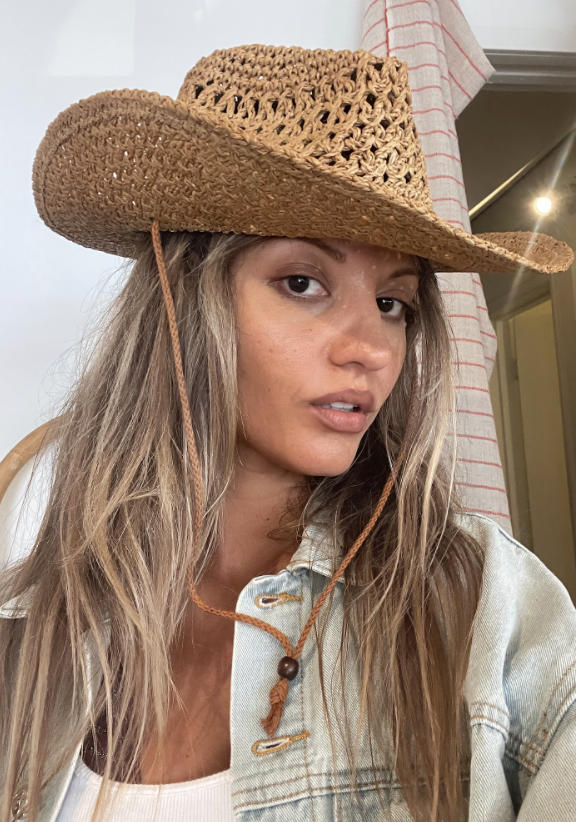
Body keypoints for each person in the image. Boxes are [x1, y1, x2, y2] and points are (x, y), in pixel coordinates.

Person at [0, 44, 575, 822]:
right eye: (303, 282)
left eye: (394, 303)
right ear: (182, 297)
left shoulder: (484, 608)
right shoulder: (42, 623)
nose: (371, 350)